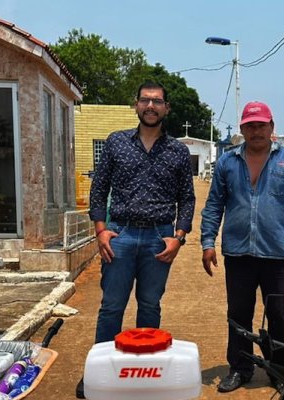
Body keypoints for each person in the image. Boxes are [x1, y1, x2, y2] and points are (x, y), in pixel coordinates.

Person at [78, 81, 196, 398]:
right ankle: (97, 374)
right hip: (122, 234)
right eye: (145, 100)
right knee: (112, 306)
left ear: (166, 108)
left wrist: (179, 237)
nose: (151, 106)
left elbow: (187, 198)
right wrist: (100, 230)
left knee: (149, 306)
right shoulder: (117, 143)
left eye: (157, 102)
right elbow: (98, 188)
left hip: (160, 236)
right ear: (136, 105)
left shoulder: (178, 152)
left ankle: (145, 375)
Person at [201, 101, 284, 393]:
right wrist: (207, 242)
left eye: (261, 125)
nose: (256, 131)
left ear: (272, 127)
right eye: (250, 125)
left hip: (277, 254)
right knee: (238, 313)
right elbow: (214, 205)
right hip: (238, 253)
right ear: (242, 129)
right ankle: (240, 368)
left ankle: (281, 371)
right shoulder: (228, 163)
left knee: (279, 314)